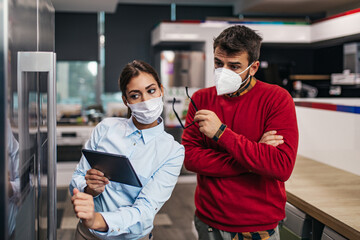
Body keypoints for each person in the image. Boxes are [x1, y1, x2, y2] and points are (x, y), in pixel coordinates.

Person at [182, 25, 299, 240]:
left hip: (258, 225)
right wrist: (255, 156)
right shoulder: (201, 99)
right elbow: (190, 159)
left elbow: (281, 166)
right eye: (219, 63)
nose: (223, 71)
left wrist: (221, 133)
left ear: (253, 67)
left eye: (234, 66)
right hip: (209, 220)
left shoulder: (277, 99)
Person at [70, 60, 184, 240]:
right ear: (126, 100)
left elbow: (145, 210)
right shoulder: (106, 128)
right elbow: (77, 177)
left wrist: (97, 220)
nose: (146, 100)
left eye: (151, 90)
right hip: (87, 234)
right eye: (135, 95)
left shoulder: (172, 151)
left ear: (161, 90)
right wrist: (88, 188)